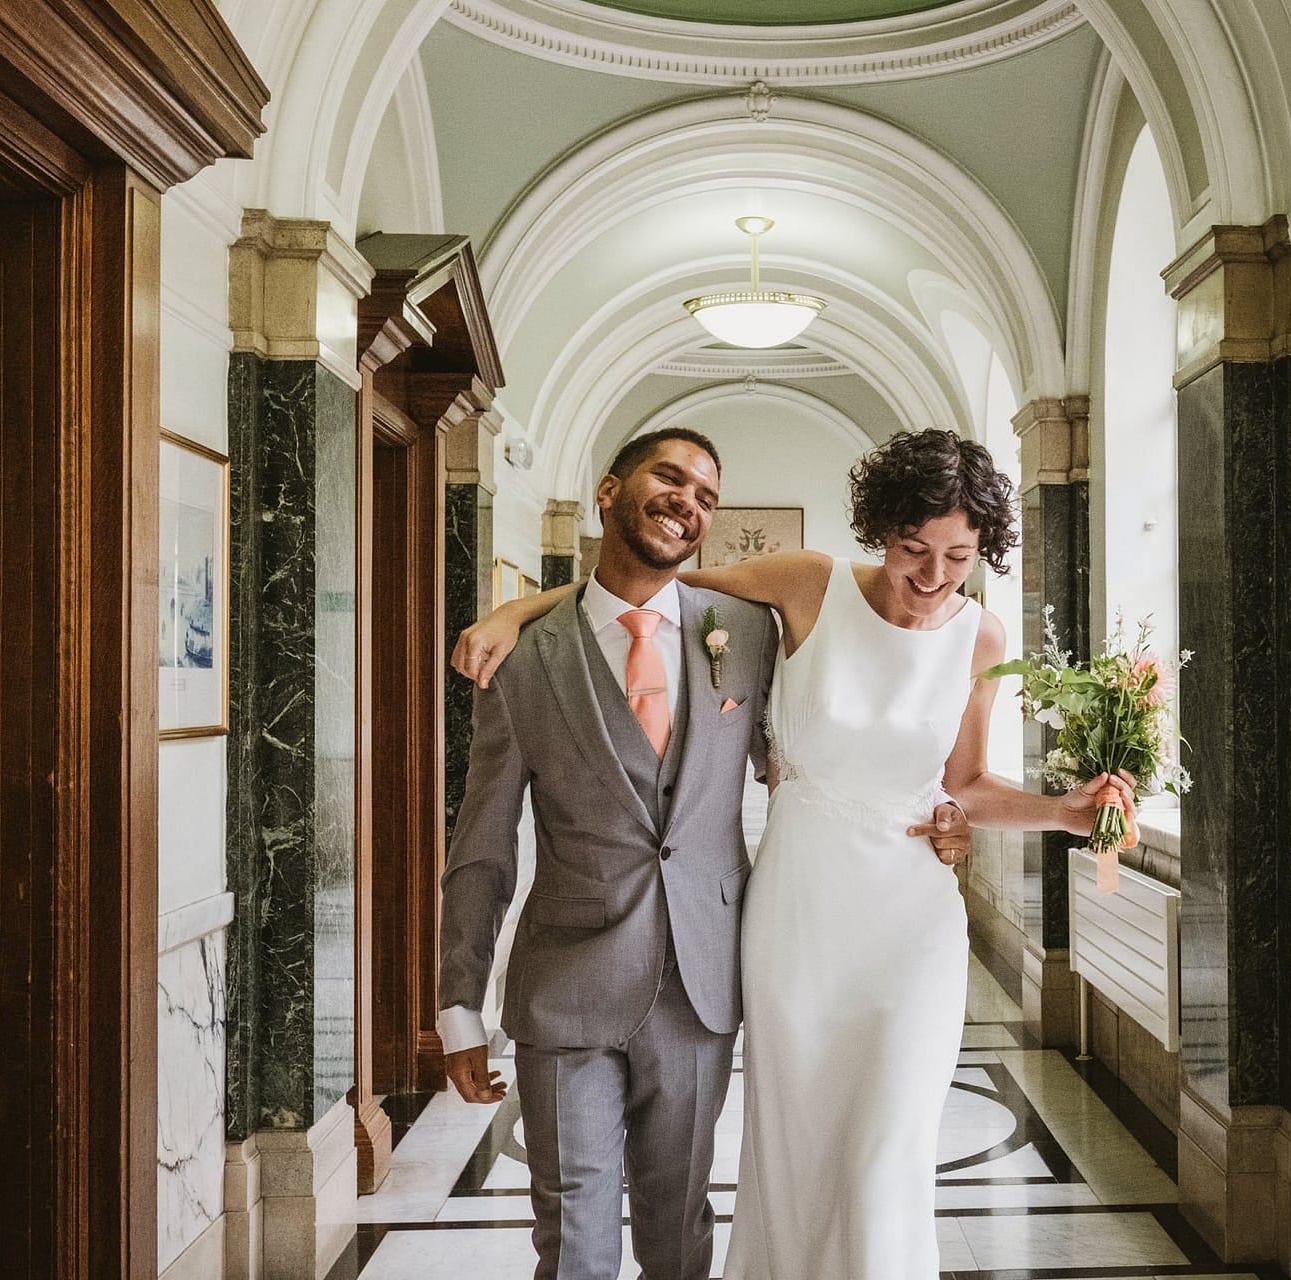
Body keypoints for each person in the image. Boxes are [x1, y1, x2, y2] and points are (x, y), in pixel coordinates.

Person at [453, 428, 1132, 1280]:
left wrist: (1064, 814)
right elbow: (653, 588)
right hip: (798, 917)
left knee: (888, 1154)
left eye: (957, 556)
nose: (931, 575)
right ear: (880, 529)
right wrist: (518, 609)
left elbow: (964, 782)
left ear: (983, 548)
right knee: (796, 1152)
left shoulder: (981, 638)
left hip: (912, 925)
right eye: (912, 548)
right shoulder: (808, 585)